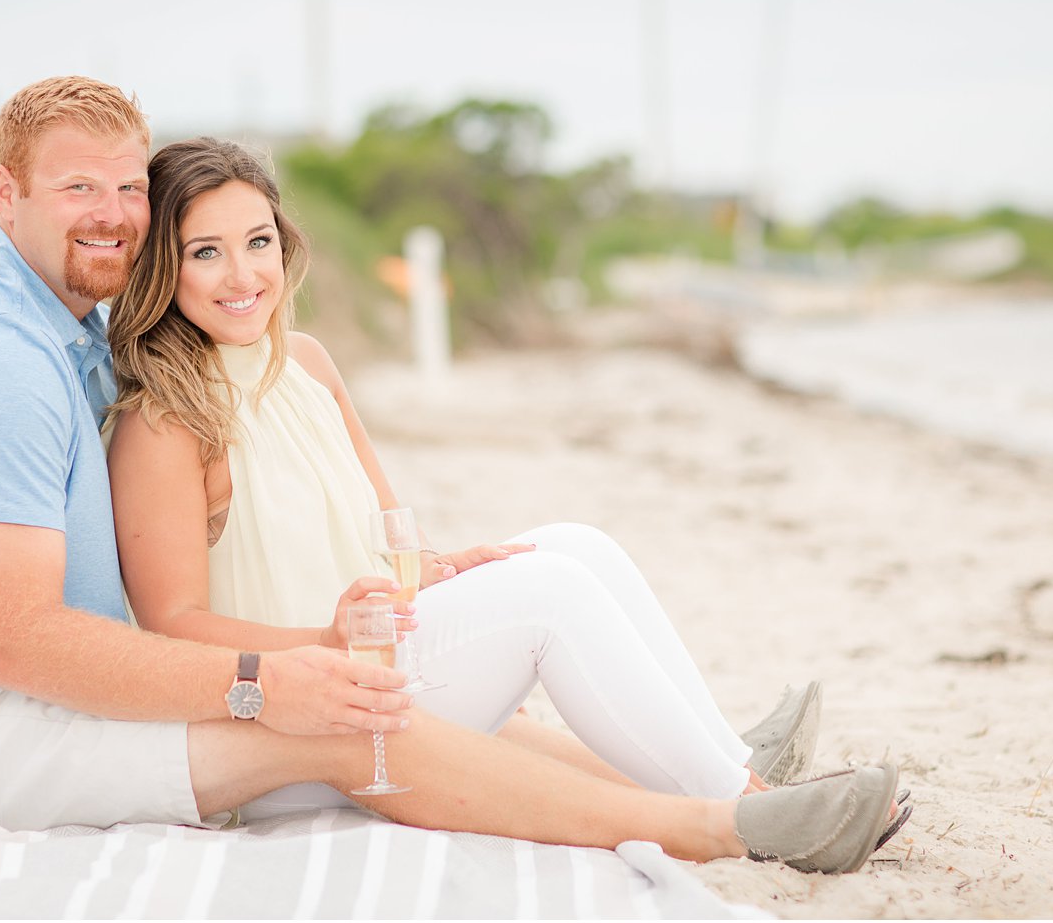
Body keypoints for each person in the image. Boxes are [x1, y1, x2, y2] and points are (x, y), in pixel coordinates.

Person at [0, 75, 903, 875]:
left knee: (555, 557)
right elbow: (21, 641)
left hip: (47, 690)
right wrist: (261, 677)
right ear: (5, 193)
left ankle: (706, 762)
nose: (110, 210)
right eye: (75, 187)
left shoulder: (70, 323)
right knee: (363, 703)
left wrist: (407, 581)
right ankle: (723, 817)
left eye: (124, 186)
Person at [106, 135, 909, 834]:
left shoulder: (306, 364)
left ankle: (729, 765)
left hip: (374, 665)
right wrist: (322, 645)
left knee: (570, 546)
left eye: (257, 241)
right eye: (204, 251)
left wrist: (442, 567)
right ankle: (747, 803)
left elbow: (393, 541)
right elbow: (172, 627)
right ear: (162, 270)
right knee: (548, 593)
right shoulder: (165, 421)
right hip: (300, 731)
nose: (242, 273)